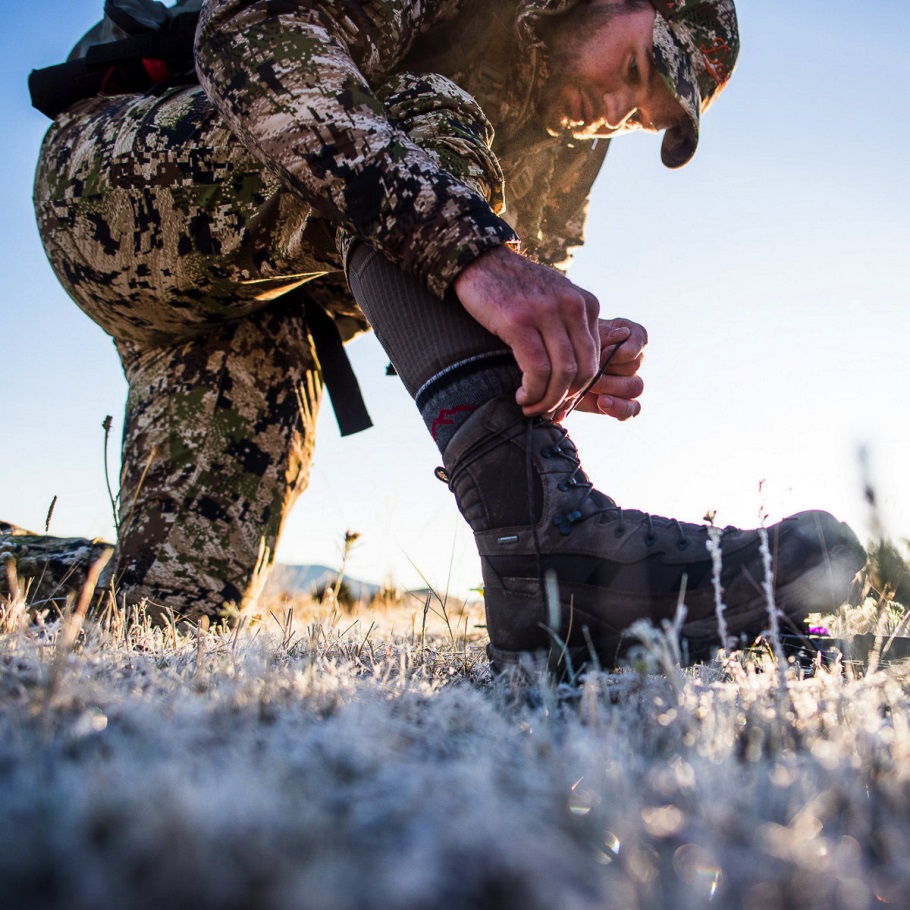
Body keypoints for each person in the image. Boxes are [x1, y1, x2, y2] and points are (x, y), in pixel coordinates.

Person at [18, 0, 864, 668]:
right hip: (125, 189)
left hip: (260, 319)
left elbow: (508, 284)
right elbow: (252, 36)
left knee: (166, 612)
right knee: (424, 107)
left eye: (636, 117)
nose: (613, 109)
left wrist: (565, 350)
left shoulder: (566, 146)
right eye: (633, 69)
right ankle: (548, 554)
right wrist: (476, 254)